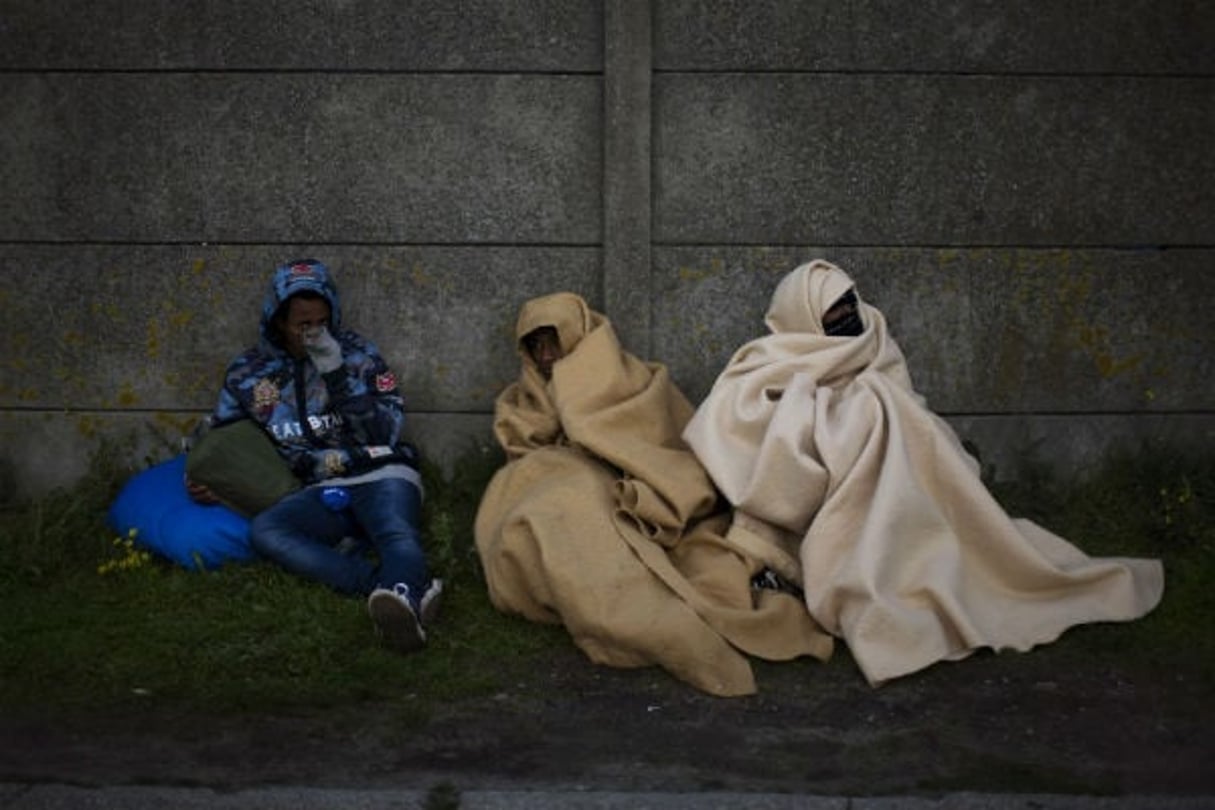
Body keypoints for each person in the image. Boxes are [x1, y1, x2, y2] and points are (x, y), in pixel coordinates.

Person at [683, 259, 1165, 686]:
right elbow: (735, 426)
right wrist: (817, 414)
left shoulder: (871, 333)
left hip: (886, 471)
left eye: (850, 306)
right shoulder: (764, 360)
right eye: (833, 317)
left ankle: (907, 558)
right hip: (810, 481)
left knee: (882, 408)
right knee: (869, 410)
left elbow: (905, 407)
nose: (849, 321)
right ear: (802, 318)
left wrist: (867, 414)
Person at [474, 291, 831, 697]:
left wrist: (601, 442)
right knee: (549, 510)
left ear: (577, 333)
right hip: (571, 482)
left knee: (577, 508)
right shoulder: (523, 398)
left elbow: (666, 450)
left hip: (629, 489)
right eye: (535, 345)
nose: (546, 354)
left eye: (552, 340)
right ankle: (614, 607)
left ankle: (650, 624)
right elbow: (524, 454)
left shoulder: (632, 380)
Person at [187, 258, 441, 654]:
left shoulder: (358, 356)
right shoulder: (248, 372)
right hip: (316, 486)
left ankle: (400, 594)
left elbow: (384, 431)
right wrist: (210, 477)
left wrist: (336, 372)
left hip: (380, 470)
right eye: (302, 324)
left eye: (321, 322)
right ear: (278, 320)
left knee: (397, 534)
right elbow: (226, 440)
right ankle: (386, 590)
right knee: (267, 532)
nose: (312, 332)